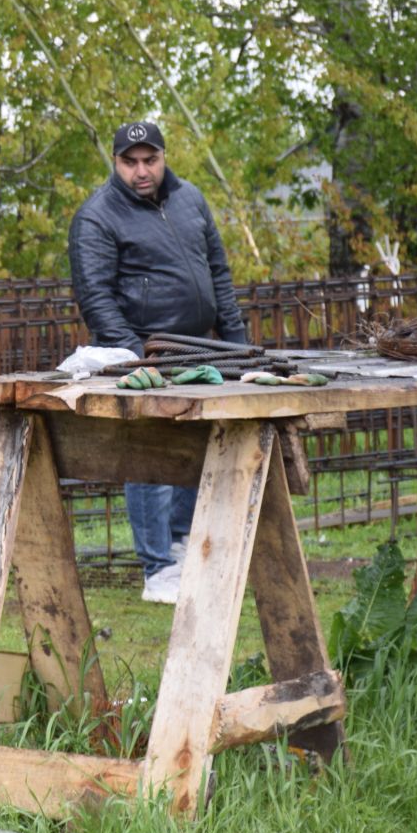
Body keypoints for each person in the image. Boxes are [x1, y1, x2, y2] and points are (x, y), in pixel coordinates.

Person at [67, 120, 248, 604]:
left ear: (164, 157)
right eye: (130, 162)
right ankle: (158, 568)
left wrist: (238, 346)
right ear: (115, 161)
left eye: (150, 160)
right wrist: (137, 354)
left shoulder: (190, 199)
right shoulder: (97, 217)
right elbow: (96, 298)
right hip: (142, 356)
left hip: (199, 350)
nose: (141, 171)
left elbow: (219, 276)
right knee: (149, 457)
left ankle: (184, 544)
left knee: (194, 447)